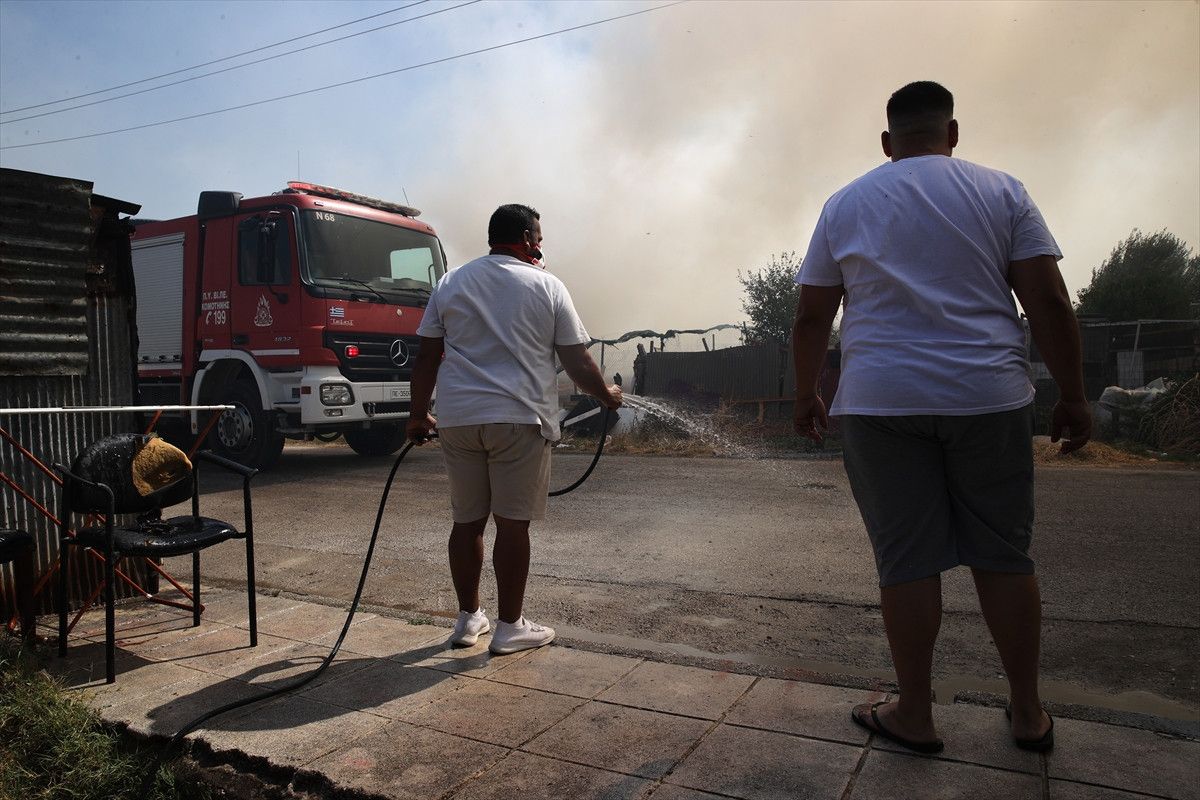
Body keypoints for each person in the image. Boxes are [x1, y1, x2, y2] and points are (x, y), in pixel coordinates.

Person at [792, 81, 1091, 754]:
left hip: (881, 403)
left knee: (906, 560)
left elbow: (812, 315)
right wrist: (1073, 395)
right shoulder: (1003, 192)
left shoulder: (846, 203)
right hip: (988, 397)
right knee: (1003, 555)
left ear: (887, 143)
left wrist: (807, 392)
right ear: (952, 134)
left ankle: (916, 714)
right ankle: (1027, 713)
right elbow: (1048, 300)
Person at [407, 204, 622, 655]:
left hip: (458, 419)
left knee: (467, 522)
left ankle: (468, 619)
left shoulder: (451, 282)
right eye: (538, 237)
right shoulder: (547, 285)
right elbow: (577, 360)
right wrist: (607, 394)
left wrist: (418, 414)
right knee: (511, 525)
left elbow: (427, 356)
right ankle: (509, 627)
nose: (541, 245)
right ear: (526, 238)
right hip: (518, 419)